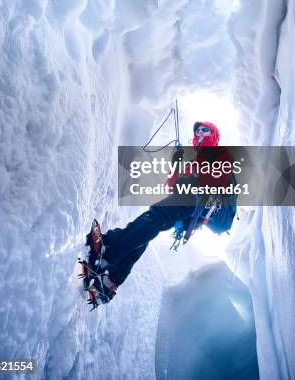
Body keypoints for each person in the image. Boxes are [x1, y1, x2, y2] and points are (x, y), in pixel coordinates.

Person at [88, 121, 236, 303]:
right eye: (197, 131)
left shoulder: (220, 154)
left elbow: (212, 180)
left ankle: (107, 251)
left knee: (155, 217)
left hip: (196, 200)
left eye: (205, 130)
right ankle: (111, 281)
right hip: (192, 207)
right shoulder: (197, 162)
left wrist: (191, 173)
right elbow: (173, 187)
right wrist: (177, 165)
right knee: (151, 227)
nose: (200, 133)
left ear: (214, 135)